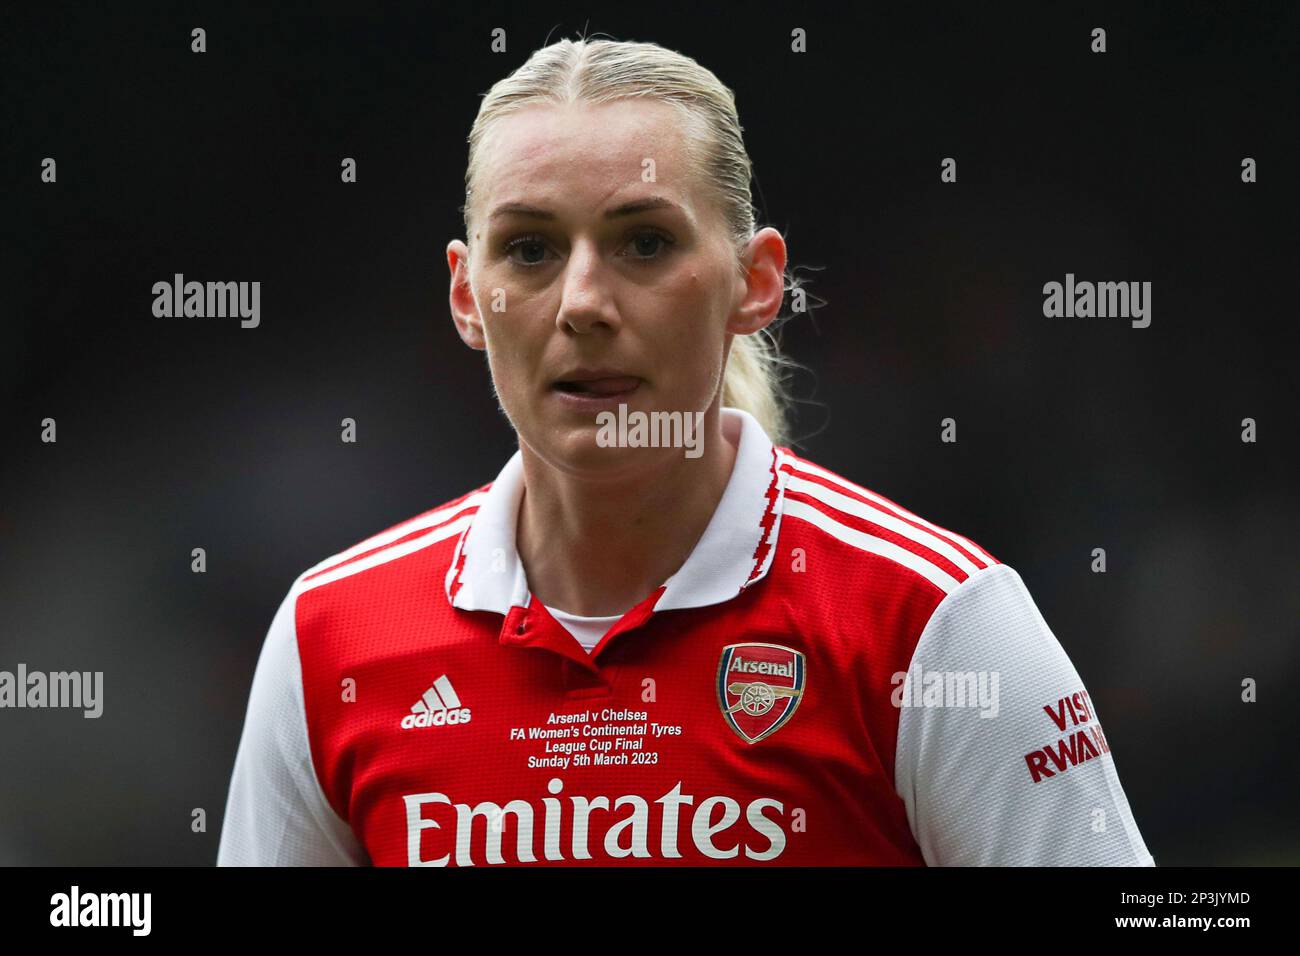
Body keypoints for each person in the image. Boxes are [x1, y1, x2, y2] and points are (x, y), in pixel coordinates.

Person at [217, 37, 1155, 867]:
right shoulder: (329, 637)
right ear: (469, 296)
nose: (583, 300)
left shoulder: (932, 622)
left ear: (755, 283)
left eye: (645, 242)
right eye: (532, 249)